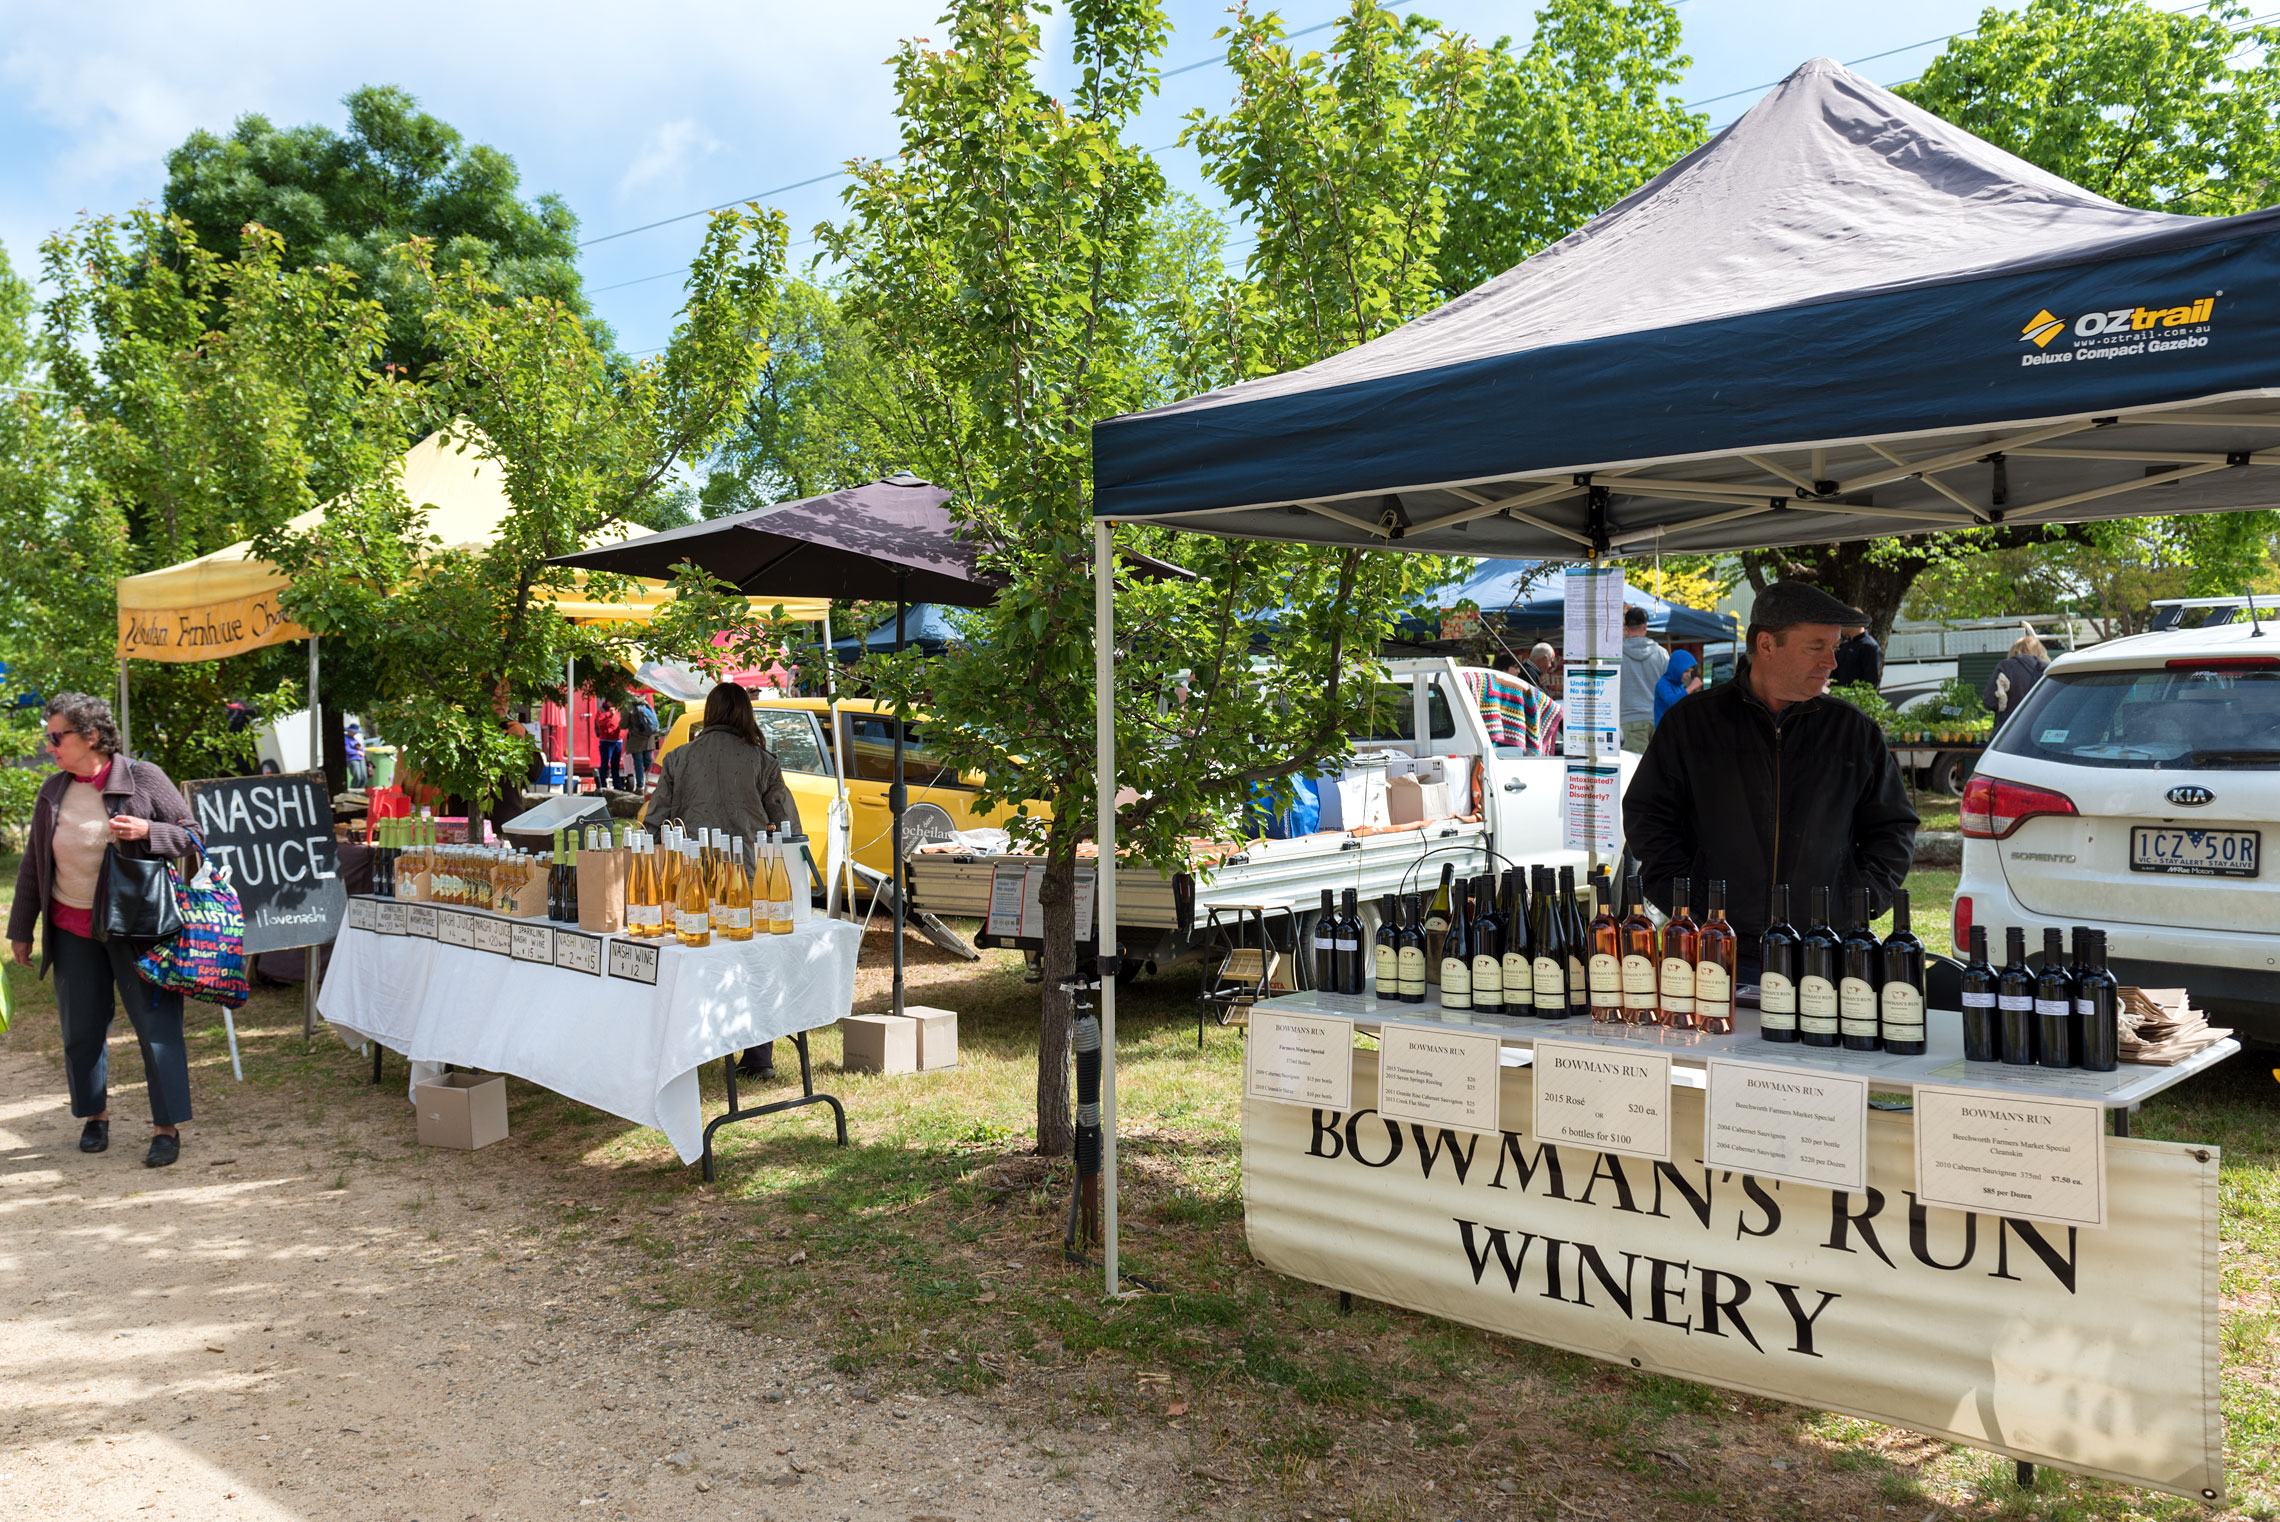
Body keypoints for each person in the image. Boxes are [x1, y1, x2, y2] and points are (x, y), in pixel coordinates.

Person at [1622, 582, 1917, 976]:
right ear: (1766, 645)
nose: (1832, 662)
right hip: (1716, 946)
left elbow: (1894, 827)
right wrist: (1688, 898)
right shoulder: (1692, 724)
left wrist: (1856, 900)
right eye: (1816, 647)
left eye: (1836, 647)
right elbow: (1648, 815)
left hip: (1826, 949)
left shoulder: (1853, 732)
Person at [8, 693, 205, 1167]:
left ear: (91, 736)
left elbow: (196, 835)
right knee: (81, 1031)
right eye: (48, 736)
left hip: (138, 928)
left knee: (156, 1029)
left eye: (58, 736)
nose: (49, 745)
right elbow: (34, 866)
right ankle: (95, 1116)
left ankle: (165, 1127)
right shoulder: (53, 790)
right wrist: (21, 927)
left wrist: (148, 832)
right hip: (72, 927)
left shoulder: (143, 778)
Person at [647, 683, 803, 1079]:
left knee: (695, 964)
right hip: (745, 879)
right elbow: (789, 826)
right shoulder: (761, 760)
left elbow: (654, 823)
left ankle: (693, 1051)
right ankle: (757, 1057)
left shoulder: (678, 758)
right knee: (753, 966)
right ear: (745, 715)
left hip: (688, 880)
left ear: (710, 713)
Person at [1619, 605, 1669, 753]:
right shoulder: (1662, 653)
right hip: (1658, 721)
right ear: (1645, 626)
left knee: (1635, 772)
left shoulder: (1614, 656)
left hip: (1629, 721)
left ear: (1625, 626)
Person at [1983, 632, 2050, 718]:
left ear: (2014, 650)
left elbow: (1990, 702)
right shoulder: (2047, 670)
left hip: (2011, 727)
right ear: (2041, 652)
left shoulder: (2006, 667)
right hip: (2039, 726)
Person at [1653, 648, 1701, 726]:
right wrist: (1690, 688)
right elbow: (1672, 702)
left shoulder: (1679, 685)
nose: (1689, 675)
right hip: (1664, 731)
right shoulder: (1663, 684)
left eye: (1690, 672)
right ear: (1676, 669)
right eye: (1686, 671)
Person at [624, 695, 661, 790]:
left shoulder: (630, 709)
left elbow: (622, 725)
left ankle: (640, 787)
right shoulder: (648, 707)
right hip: (649, 740)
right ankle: (650, 786)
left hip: (636, 741)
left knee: (638, 763)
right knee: (648, 763)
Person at [1833, 624, 1883, 688]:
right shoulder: (1844, 645)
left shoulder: (1870, 647)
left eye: (1843, 623)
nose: (1840, 627)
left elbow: (1871, 680)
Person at [593, 700, 625, 791]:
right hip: (606, 740)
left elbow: (621, 724)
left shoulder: (618, 710)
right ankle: (602, 785)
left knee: (616, 765)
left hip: (617, 740)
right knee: (605, 763)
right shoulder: (601, 711)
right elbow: (601, 725)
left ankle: (617, 785)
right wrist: (611, 716)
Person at [343, 718, 368, 790]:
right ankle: (353, 790)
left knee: (364, 777)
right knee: (357, 777)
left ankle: (360, 790)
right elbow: (347, 750)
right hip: (352, 759)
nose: (355, 733)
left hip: (360, 758)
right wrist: (357, 752)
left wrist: (361, 752)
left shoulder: (354, 739)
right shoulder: (345, 738)